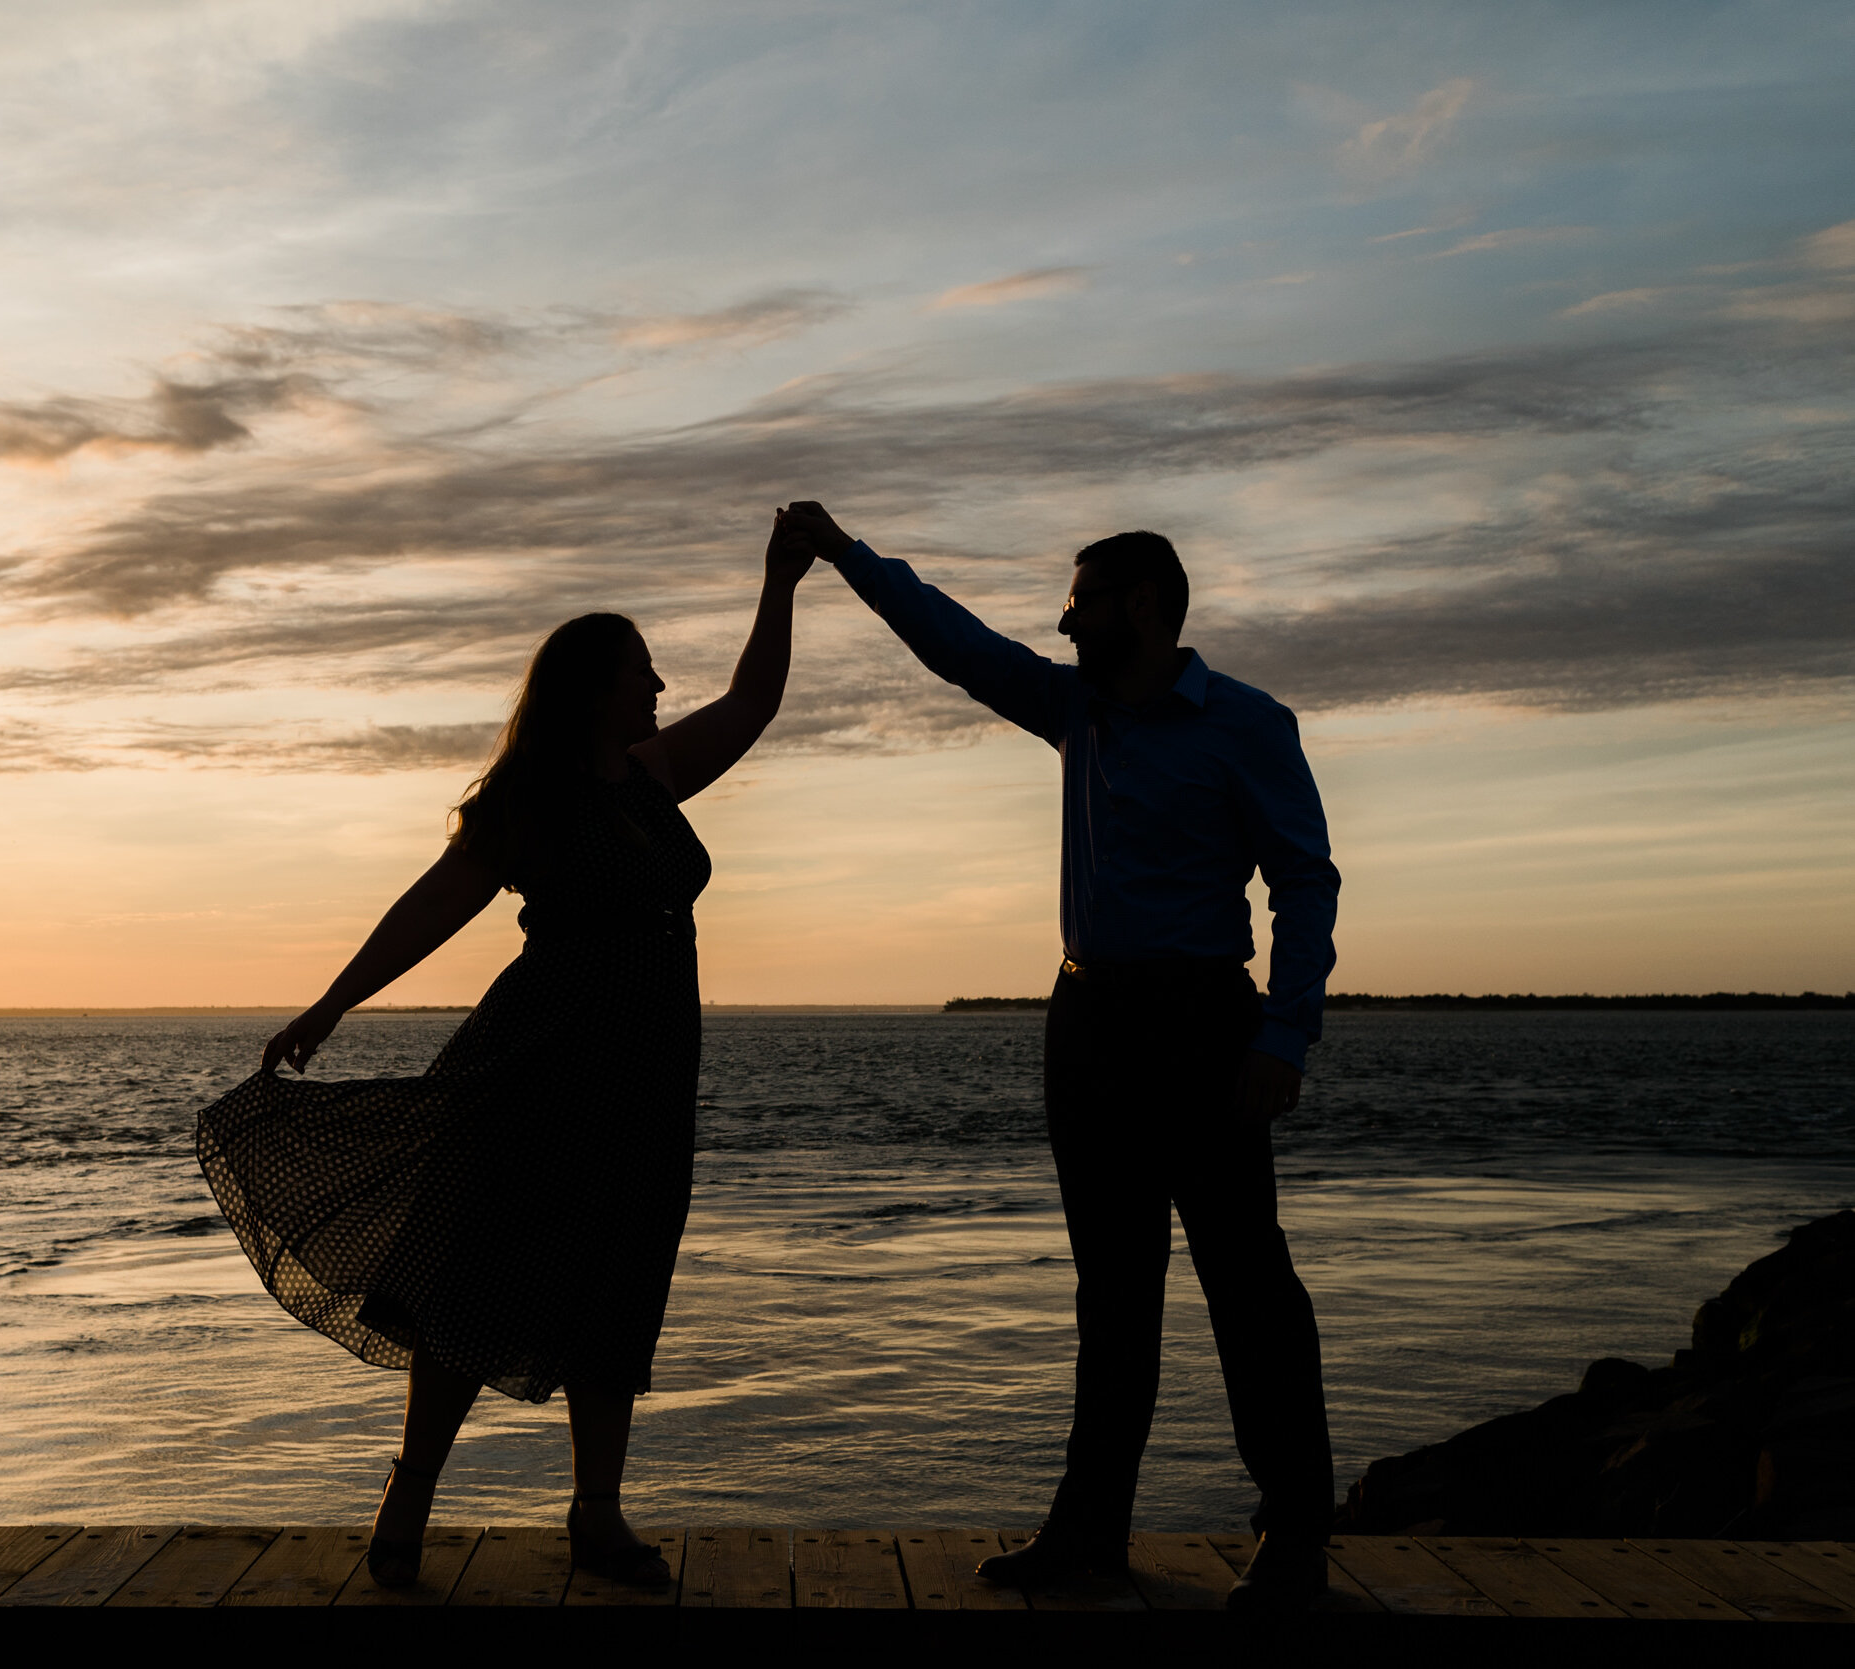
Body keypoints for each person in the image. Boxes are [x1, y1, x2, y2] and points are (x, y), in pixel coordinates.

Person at [195, 513, 818, 1589]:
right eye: (640, 670)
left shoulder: (649, 778)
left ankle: (598, 1515)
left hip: (646, 1081)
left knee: (618, 1282)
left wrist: (780, 582)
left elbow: (754, 701)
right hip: (543, 1065)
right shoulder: (529, 804)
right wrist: (333, 1002)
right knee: (474, 1282)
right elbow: (430, 906)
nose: (660, 683)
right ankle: (411, 1495)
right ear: (592, 689)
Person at [782, 503, 1339, 1614]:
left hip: (1204, 1024)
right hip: (1087, 1025)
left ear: (1141, 603)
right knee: (1113, 1292)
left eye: (1080, 600)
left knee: (1245, 1280)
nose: (1063, 619)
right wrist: (846, 556)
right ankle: (1088, 1530)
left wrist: (1283, 1033)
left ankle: (1293, 1530)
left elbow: (1305, 881)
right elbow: (959, 643)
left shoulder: (1245, 723)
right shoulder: (1072, 708)